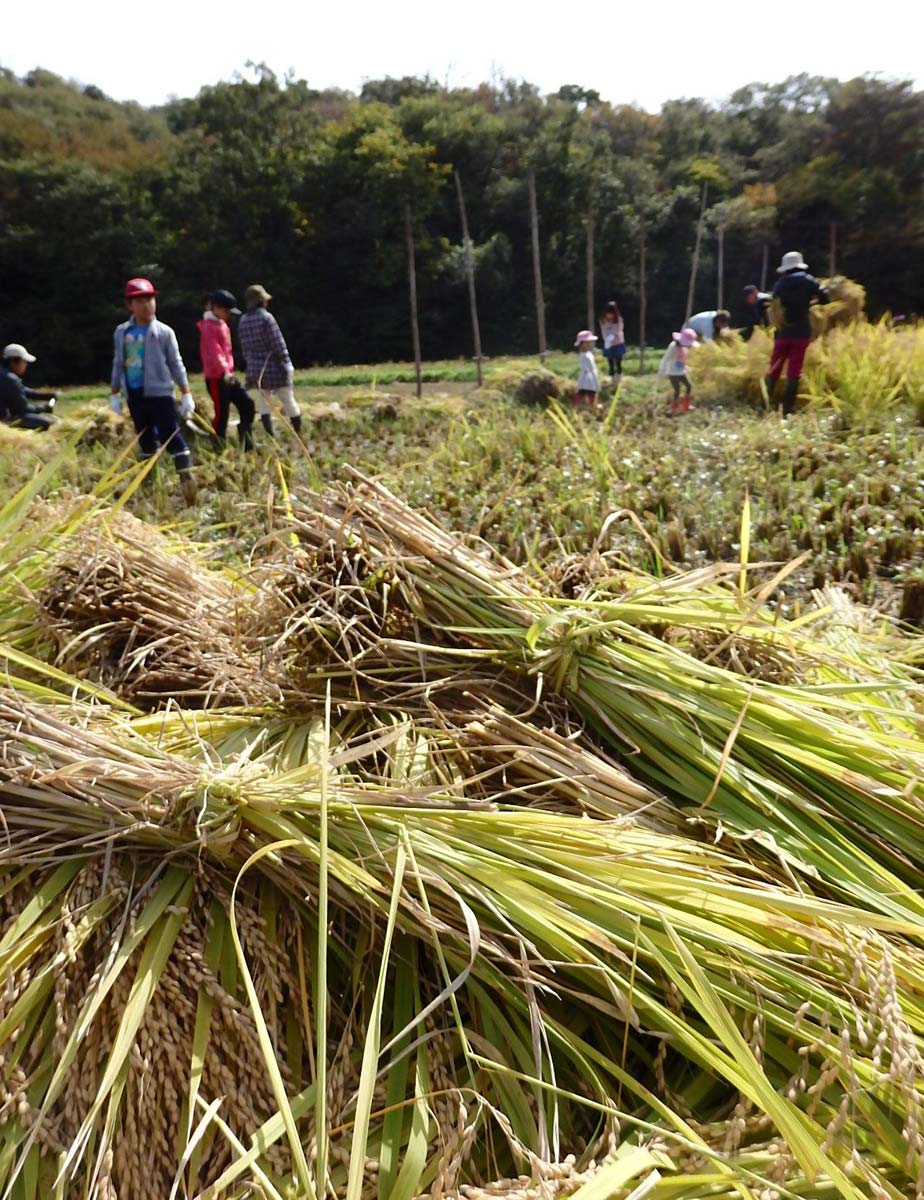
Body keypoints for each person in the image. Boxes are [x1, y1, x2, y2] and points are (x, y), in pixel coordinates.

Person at [109, 278, 198, 505]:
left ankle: (187, 482)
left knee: (171, 434)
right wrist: (115, 393)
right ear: (130, 305)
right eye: (139, 301)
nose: (146, 305)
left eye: (149, 299)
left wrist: (186, 392)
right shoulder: (122, 332)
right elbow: (118, 363)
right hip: (135, 394)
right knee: (145, 438)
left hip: (160, 393)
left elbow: (176, 363)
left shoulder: (164, 332)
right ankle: (150, 488)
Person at [765, 251, 829, 417]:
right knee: (794, 370)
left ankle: (765, 404)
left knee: (775, 367)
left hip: (782, 332)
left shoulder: (779, 284)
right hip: (801, 332)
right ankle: (787, 410)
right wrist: (810, 302)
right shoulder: (809, 281)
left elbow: (774, 305)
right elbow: (825, 299)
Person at [237, 284, 301, 437]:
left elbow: (244, 347)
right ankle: (298, 432)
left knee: (264, 402)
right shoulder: (266, 318)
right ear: (262, 301)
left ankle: (270, 435)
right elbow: (277, 342)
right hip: (273, 365)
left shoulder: (243, 320)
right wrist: (286, 362)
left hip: (255, 368)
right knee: (287, 398)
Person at [198, 289, 255, 451]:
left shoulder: (222, 324)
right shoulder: (208, 327)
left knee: (247, 404)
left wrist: (229, 372)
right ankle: (218, 445)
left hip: (228, 375)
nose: (228, 314)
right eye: (226, 310)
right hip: (217, 378)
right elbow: (215, 352)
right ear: (215, 308)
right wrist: (225, 372)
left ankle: (247, 442)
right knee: (222, 414)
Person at [0, 344, 57, 431]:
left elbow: (22, 389)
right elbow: (23, 409)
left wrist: (46, 396)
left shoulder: (4, 375)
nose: (26, 365)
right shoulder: (10, 379)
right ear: (14, 362)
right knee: (45, 422)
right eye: (24, 362)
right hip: (3, 421)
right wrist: (43, 408)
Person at [658, 329, 698, 414]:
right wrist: (662, 370)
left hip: (681, 371)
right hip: (672, 372)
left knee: (689, 386)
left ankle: (686, 405)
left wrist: (686, 367)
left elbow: (681, 359)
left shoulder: (684, 347)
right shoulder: (673, 347)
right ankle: (673, 408)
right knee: (677, 390)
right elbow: (665, 358)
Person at [598, 301, 626, 379]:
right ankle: (612, 376)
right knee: (610, 360)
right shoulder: (603, 320)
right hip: (608, 343)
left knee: (618, 360)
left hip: (618, 342)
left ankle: (619, 375)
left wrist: (612, 336)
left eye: (611, 314)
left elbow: (618, 330)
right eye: (608, 313)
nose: (609, 316)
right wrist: (606, 339)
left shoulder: (619, 320)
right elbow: (603, 330)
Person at [573, 330, 600, 406]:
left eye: (591, 342)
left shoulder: (588, 353)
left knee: (584, 391)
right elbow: (587, 367)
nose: (591, 344)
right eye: (588, 342)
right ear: (582, 344)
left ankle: (581, 404)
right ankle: (591, 405)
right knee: (589, 391)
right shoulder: (584, 355)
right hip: (587, 376)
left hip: (589, 376)